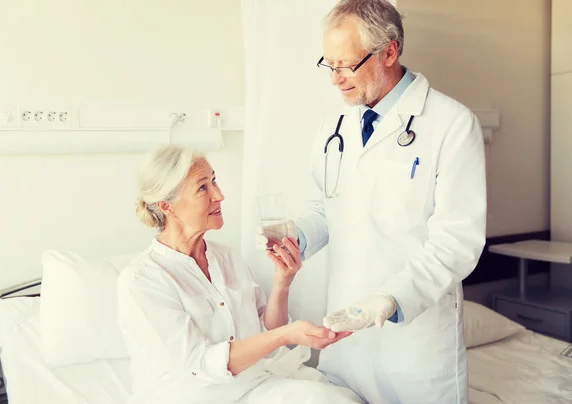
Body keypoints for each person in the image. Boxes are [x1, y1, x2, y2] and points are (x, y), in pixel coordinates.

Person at [255, 0, 486, 403]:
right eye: (329, 64)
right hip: (346, 338)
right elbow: (323, 209)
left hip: (415, 342)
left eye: (345, 65)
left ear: (389, 52)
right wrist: (295, 238)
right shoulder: (333, 129)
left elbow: (457, 242)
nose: (335, 79)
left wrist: (392, 298)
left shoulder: (450, 124)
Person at [117, 145, 364, 404]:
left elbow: (269, 332)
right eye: (203, 187)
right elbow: (199, 364)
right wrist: (286, 334)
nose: (219, 195)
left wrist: (282, 282)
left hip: (253, 386)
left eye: (214, 181)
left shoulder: (228, 258)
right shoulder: (142, 281)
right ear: (167, 206)